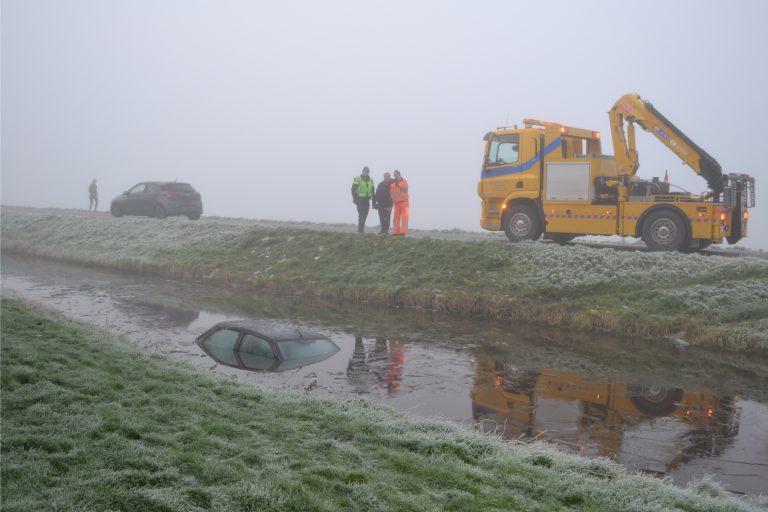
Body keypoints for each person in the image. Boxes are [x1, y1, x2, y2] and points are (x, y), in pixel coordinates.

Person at [351, 166, 374, 233]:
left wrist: (373, 199)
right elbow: (353, 189)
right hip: (359, 199)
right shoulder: (357, 179)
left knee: (366, 214)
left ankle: (361, 228)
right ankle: (360, 229)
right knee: (362, 214)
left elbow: (372, 190)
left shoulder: (371, 180)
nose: (366, 172)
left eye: (367, 171)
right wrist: (354, 198)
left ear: (368, 172)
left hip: (367, 200)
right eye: (365, 171)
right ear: (362, 171)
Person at [390, 169, 409, 235]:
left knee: (404, 217)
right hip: (396, 203)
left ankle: (403, 232)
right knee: (396, 217)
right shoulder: (392, 184)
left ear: (399, 175)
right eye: (395, 175)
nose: (396, 176)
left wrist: (398, 183)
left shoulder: (404, 181)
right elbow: (392, 193)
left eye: (397, 175)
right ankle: (396, 232)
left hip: (404, 202)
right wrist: (393, 200)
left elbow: (405, 188)